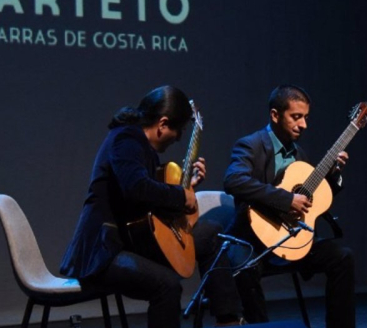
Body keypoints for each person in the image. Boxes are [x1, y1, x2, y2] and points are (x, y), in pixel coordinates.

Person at [60, 86, 241, 328]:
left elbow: (150, 207)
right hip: (104, 250)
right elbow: (136, 188)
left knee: (210, 232)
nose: (178, 138)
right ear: (163, 124)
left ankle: (228, 320)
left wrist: (188, 188)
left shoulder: (145, 149)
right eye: (179, 131)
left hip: (135, 241)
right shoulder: (125, 139)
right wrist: (179, 195)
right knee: (166, 284)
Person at [223, 85, 355, 328]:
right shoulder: (251, 145)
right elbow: (234, 180)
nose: (303, 124)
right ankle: (259, 326)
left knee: (342, 257)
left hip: (292, 239)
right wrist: (285, 199)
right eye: (296, 117)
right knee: (243, 265)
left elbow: (314, 200)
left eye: (305, 117)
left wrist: (334, 175)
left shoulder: (299, 154)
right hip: (254, 239)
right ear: (275, 115)